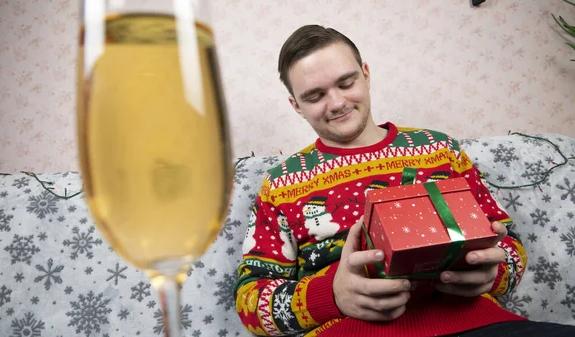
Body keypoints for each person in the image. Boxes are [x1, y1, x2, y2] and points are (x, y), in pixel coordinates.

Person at [234, 25, 575, 337]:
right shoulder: (282, 183)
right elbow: (250, 301)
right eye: (315, 96)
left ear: (366, 75)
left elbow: (510, 247)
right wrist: (333, 296)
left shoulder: (439, 149)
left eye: (346, 82)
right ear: (296, 105)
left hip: (479, 324)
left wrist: (493, 273)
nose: (337, 103)